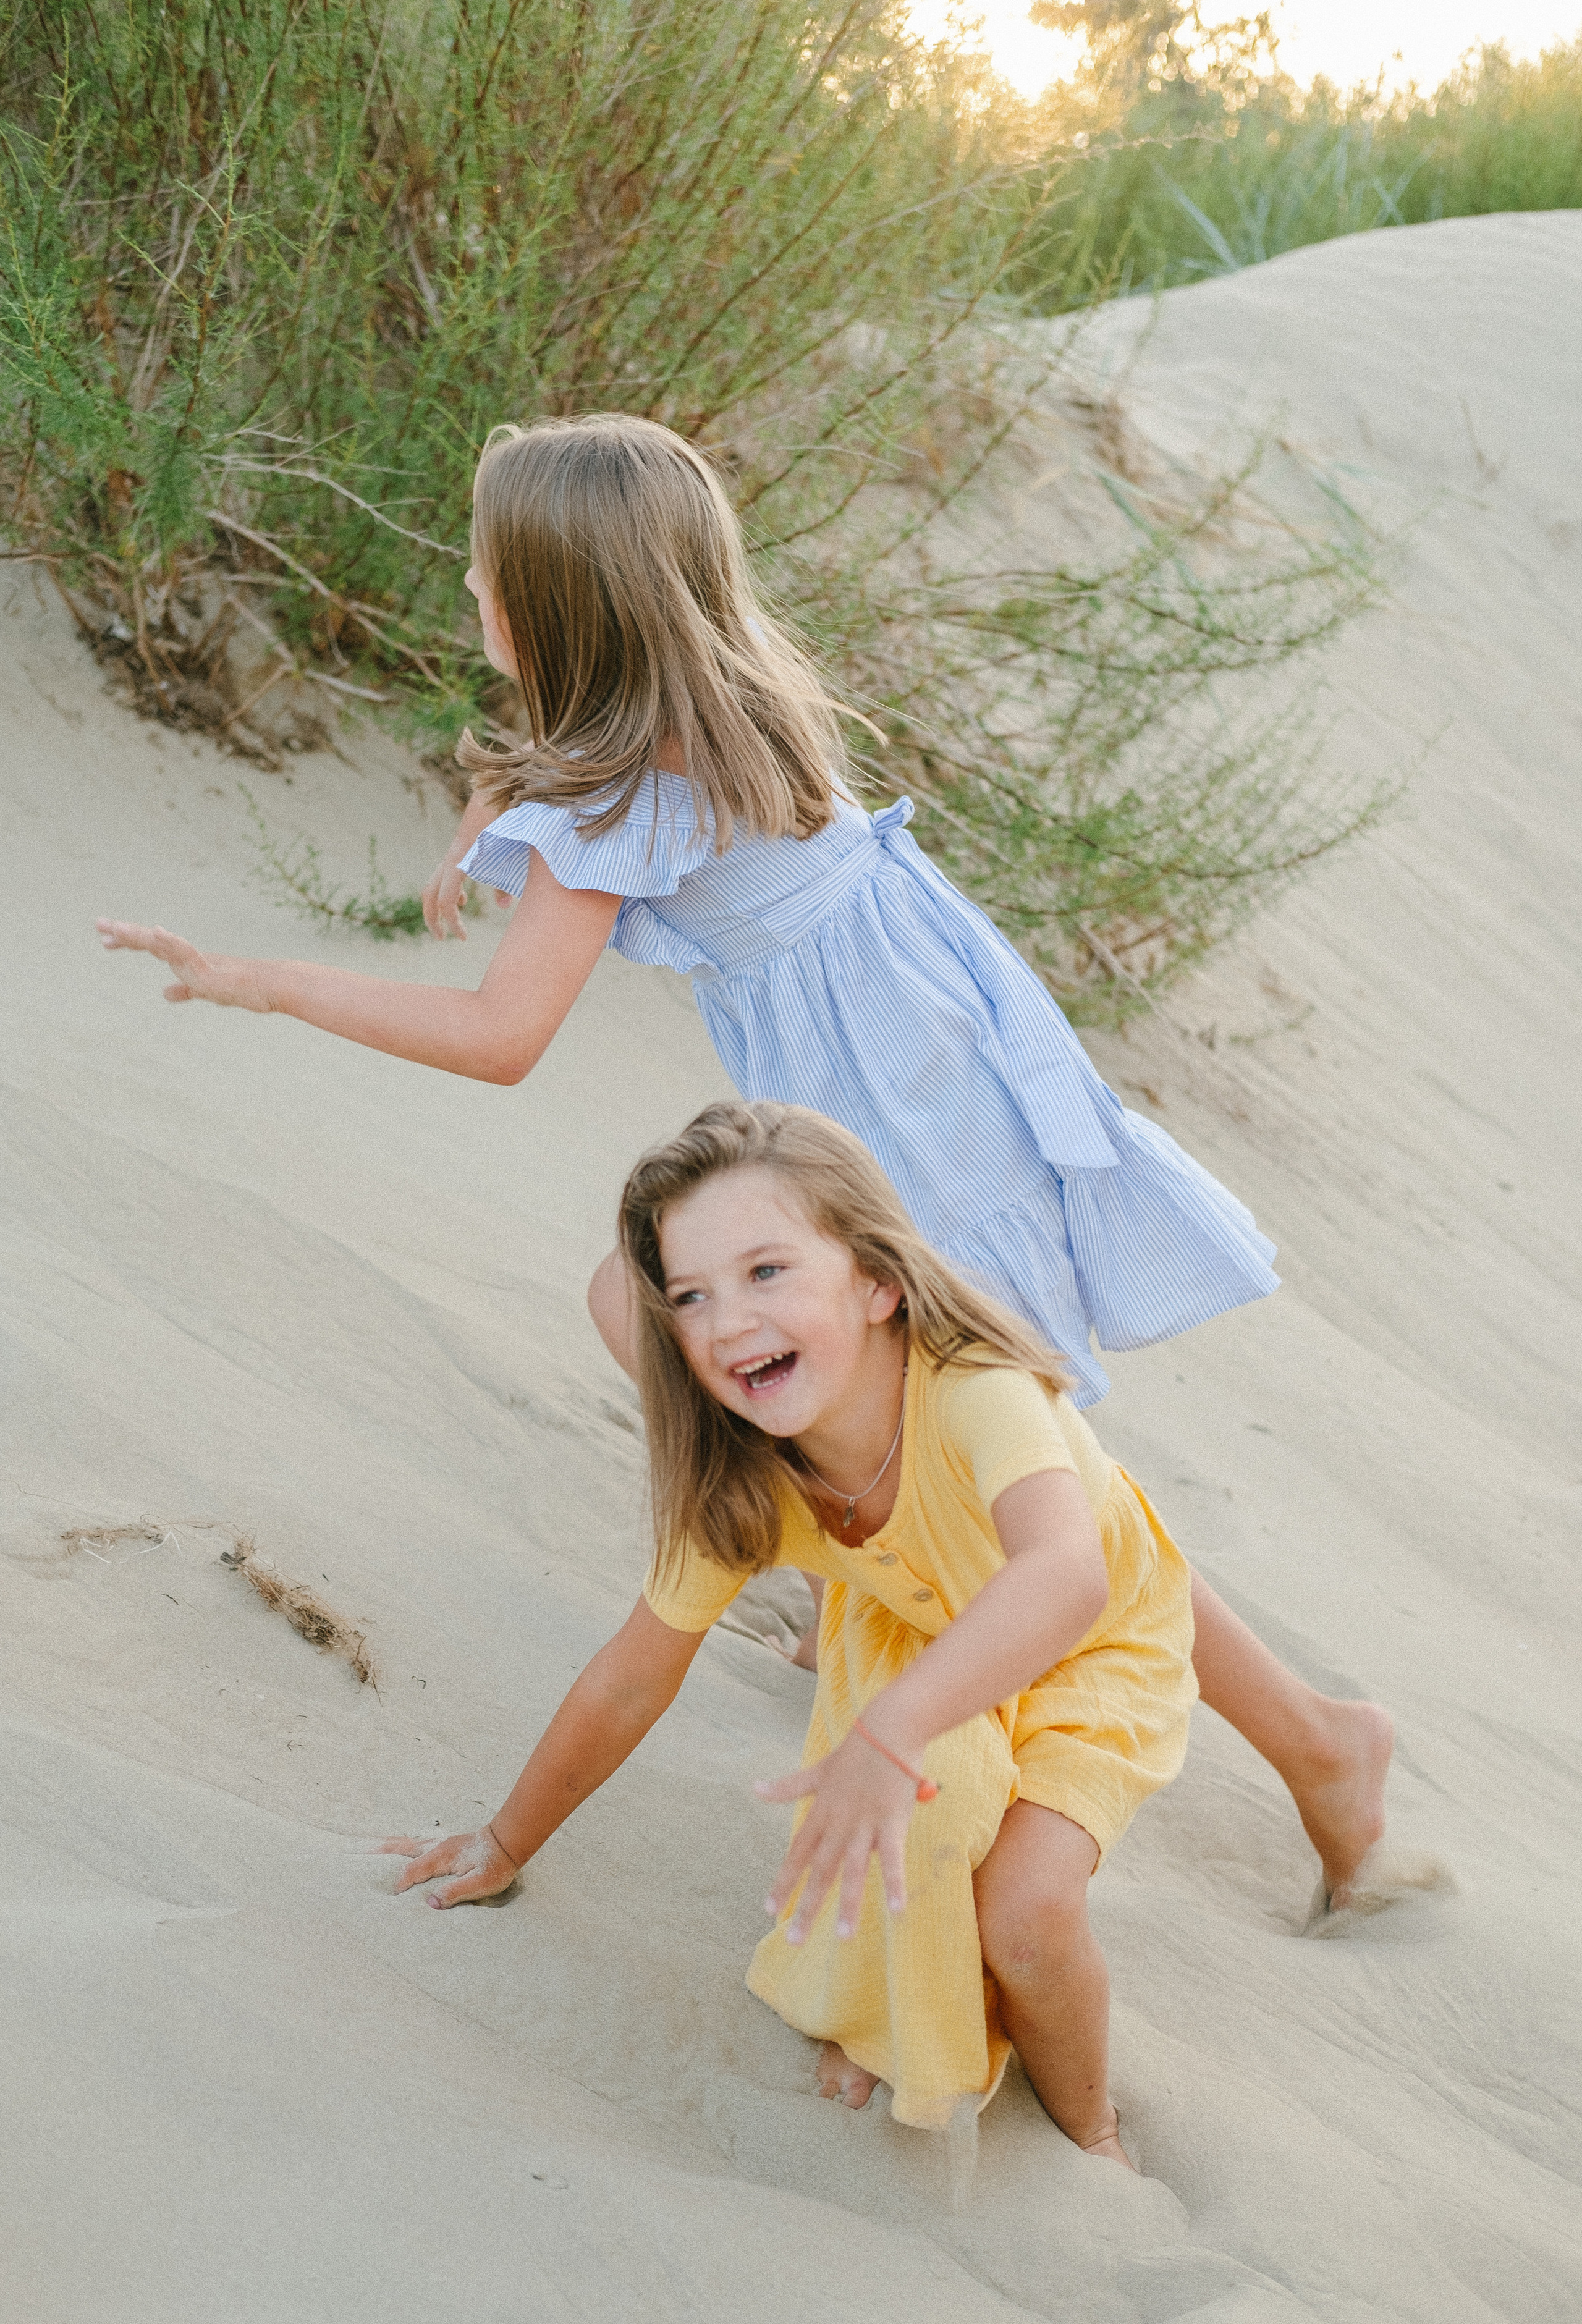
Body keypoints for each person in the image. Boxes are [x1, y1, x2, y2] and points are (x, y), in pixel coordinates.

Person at [97, 410, 1391, 1906]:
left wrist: (263, 981)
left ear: (556, 611)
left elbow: (498, 1036)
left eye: (480, 570)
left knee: (988, 1448)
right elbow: (584, 777)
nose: (463, 587)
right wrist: (495, 803)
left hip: (901, 1131)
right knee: (806, 1366)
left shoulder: (618, 805)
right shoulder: (730, 700)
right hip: (936, 1061)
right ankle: (871, 1571)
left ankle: (1306, 1738)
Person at [386, 1101, 1199, 2158]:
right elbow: (631, 1679)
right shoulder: (750, 1482)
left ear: (877, 1280)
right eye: (691, 1296)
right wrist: (504, 1839)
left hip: (1097, 1648)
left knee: (1030, 1917)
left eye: (767, 1272)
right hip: (916, 1627)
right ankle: (893, 2005)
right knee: (927, 1803)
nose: (726, 1321)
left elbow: (1064, 1575)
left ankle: (1092, 2134)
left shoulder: (973, 1389)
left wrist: (888, 1727)